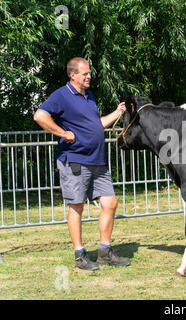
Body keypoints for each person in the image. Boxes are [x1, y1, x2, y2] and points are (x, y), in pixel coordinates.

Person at [34, 57, 130, 271]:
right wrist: (62, 133)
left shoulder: (89, 96)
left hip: (97, 160)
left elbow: (96, 124)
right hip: (75, 160)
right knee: (77, 206)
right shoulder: (61, 95)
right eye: (85, 73)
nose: (89, 76)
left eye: (89, 73)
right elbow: (39, 115)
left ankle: (105, 252)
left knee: (110, 202)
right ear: (73, 75)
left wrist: (117, 112)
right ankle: (80, 256)